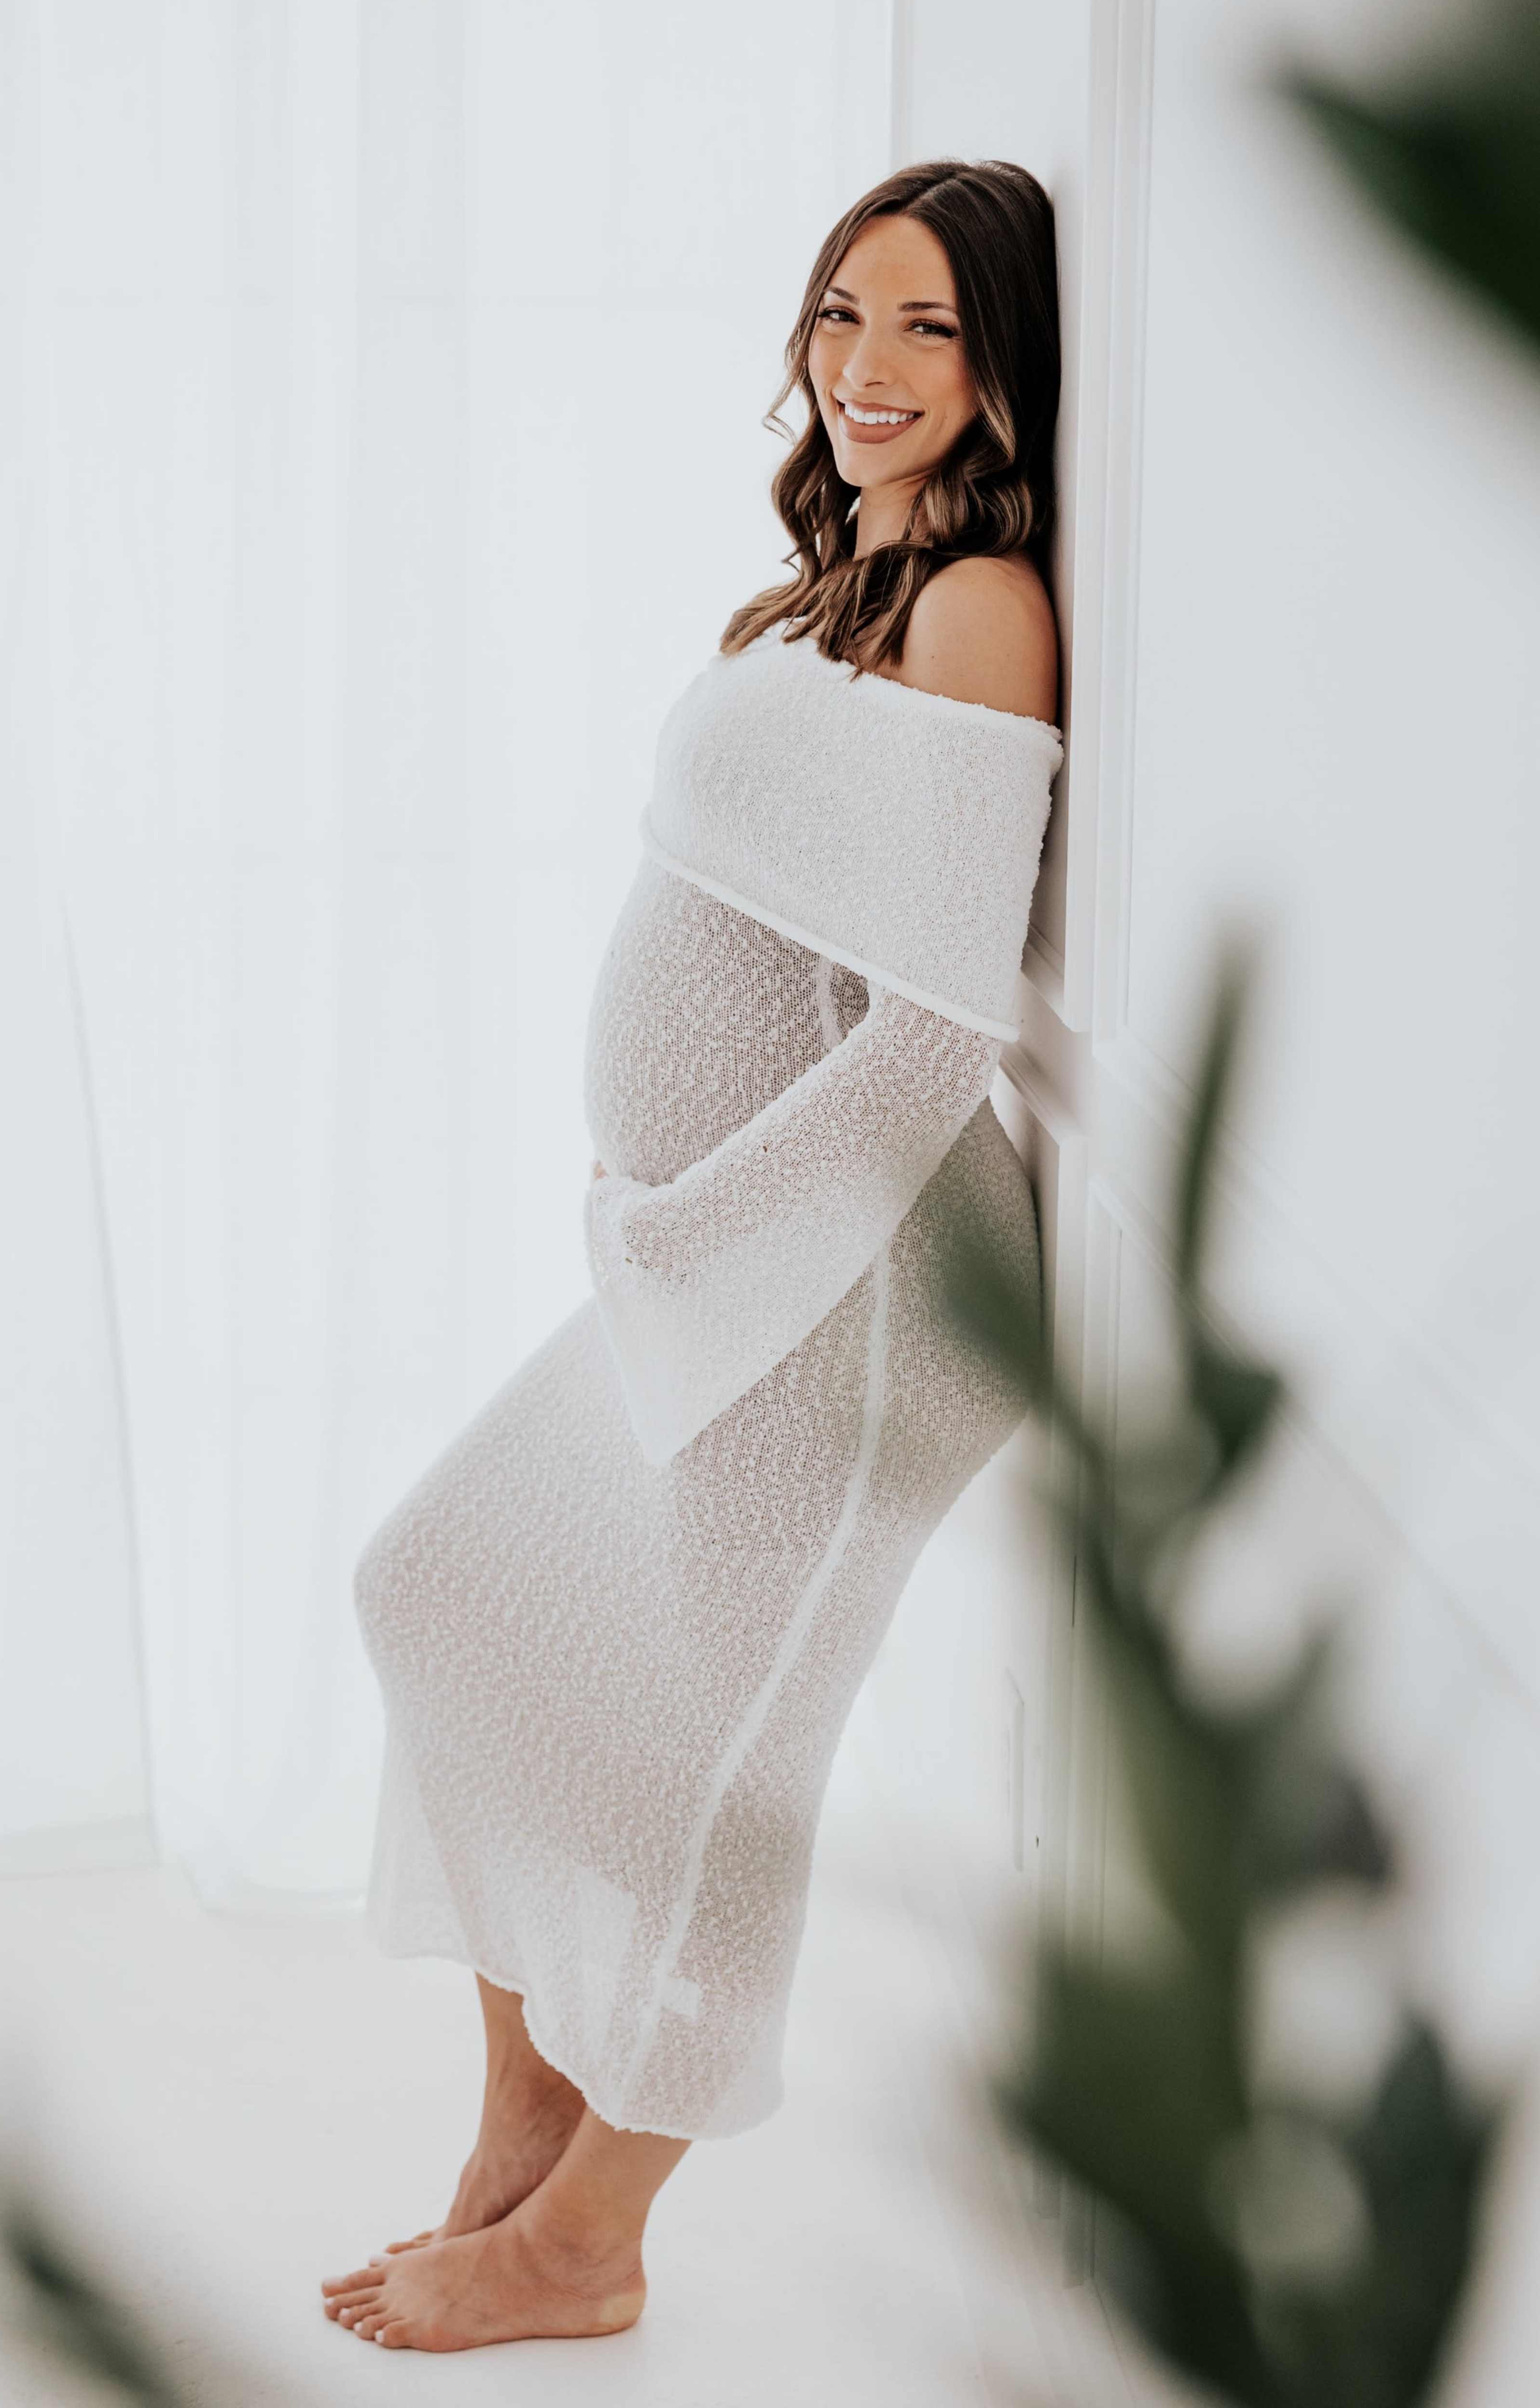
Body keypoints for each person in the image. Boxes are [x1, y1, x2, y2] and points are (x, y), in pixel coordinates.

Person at [323, 160, 1063, 2352]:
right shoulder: (855, 583)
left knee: (731, 1749)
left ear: (1003, 361)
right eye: (846, 315)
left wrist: (700, 1238)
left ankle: (590, 2234)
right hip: (717, 1267)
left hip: (861, 1302)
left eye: (930, 326)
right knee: (449, 1588)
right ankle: (521, 2128)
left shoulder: (982, 604)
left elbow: (936, 1034)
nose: (870, 367)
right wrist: (664, 1234)